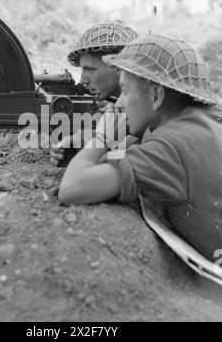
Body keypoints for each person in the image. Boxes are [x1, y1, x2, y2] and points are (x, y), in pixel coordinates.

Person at [59, 34, 222, 262]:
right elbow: (133, 149)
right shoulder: (202, 118)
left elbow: (72, 188)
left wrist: (100, 139)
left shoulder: (169, 148)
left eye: (125, 91)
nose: (120, 104)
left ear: (156, 95)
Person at [51, 23, 138, 166]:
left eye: (90, 70)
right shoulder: (119, 105)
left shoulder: (142, 109)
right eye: (82, 70)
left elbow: (130, 141)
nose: (82, 80)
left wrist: (84, 140)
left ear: (119, 68)